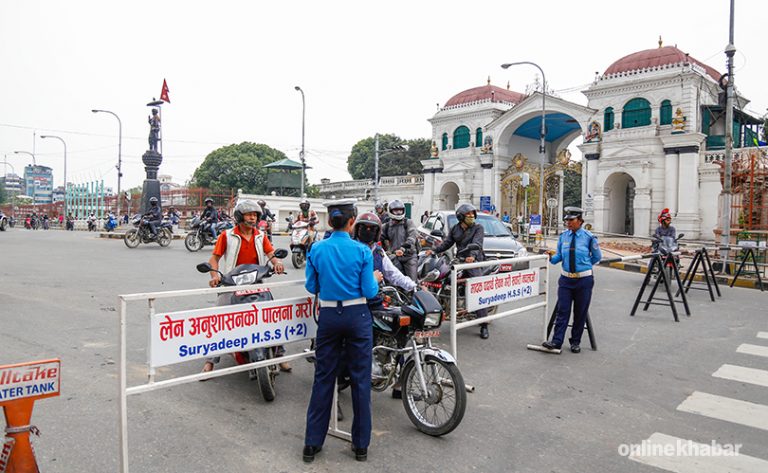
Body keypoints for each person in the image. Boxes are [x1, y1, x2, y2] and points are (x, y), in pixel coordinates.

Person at [303, 199, 379, 464]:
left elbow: (311, 286)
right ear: (351, 222)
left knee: (323, 377)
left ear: (329, 221)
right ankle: (360, 447)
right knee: (360, 380)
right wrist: (377, 281)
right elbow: (370, 292)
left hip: (328, 317)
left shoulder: (316, 249)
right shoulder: (362, 252)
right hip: (357, 316)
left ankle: (311, 444)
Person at [202, 200, 289, 373]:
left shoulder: (260, 236)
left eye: (255, 215)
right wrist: (214, 276)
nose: (253, 218)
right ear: (239, 216)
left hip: (256, 282)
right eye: (250, 214)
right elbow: (214, 259)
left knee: (272, 315)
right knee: (219, 317)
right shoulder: (226, 235)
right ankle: (210, 361)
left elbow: (270, 254)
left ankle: (280, 355)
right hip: (231, 284)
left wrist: (277, 262)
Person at [352, 211, 416, 399]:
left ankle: (399, 383)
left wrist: (414, 286)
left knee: (401, 331)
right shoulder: (352, 249)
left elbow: (393, 274)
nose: (368, 231)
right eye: (365, 228)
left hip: (376, 300)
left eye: (373, 229)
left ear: (378, 232)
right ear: (357, 229)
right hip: (358, 302)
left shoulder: (379, 251)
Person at [542, 207, 602, 353]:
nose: (568, 222)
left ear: (580, 221)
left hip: (584, 280)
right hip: (566, 280)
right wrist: (550, 257)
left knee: (580, 312)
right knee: (563, 311)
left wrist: (584, 266)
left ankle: (575, 342)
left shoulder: (589, 237)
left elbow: (597, 257)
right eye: (567, 220)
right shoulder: (564, 237)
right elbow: (559, 257)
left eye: (571, 220)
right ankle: (556, 341)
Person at [425, 203, 490, 339]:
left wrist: (472, 256)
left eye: (473, 214)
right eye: (468, 214)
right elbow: (447, 243)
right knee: (444, 278)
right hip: (459, 260)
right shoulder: (455, 229)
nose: (472, 216)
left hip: (474, 261)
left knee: (476, 289)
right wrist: (434, 250)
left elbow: (477, 244)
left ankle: (484, 324)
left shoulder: (478, 228)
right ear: (461, 216)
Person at [381, 200, 419, 282]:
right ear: (390, 211)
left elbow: (412, 237)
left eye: (400, 210)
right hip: (394, 257)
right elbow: (378, 237)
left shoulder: (408, 223)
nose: (398, 212)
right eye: (395, 210)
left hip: (409, 256)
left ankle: (413, 293)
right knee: (391, 281)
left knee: (412, 283)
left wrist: (403, 249)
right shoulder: (386, 226)